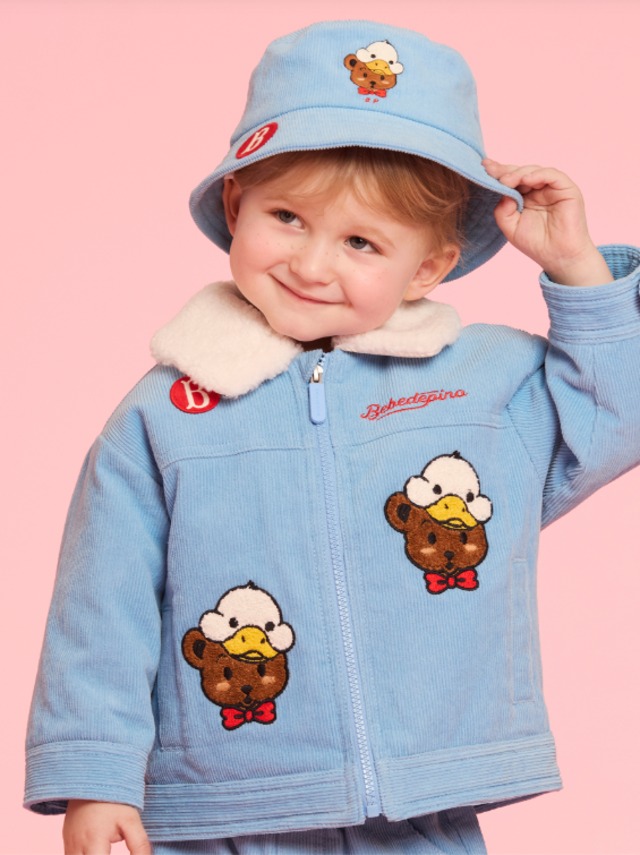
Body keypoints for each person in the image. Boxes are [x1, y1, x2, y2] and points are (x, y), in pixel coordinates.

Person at [24, 19, 640, 855]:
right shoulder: (165, 413)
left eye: (361, 242)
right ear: (236, 206)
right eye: (287, 217)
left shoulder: (485, 386)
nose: (313, 265)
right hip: (221, 814)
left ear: (427, 268)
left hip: (422, 808)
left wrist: (577, 270)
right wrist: (93, 779)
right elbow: (102, 605)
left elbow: (615, 416)